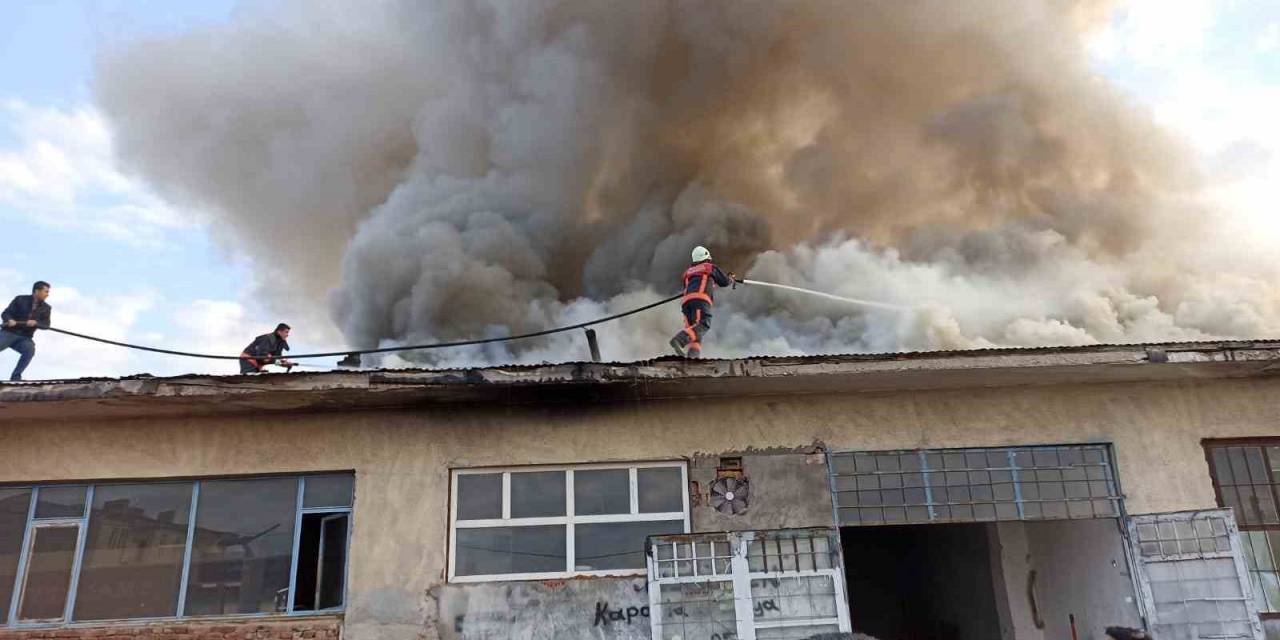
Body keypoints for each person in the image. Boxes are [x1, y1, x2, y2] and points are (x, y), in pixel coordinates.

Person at [669, 246, 736, 358]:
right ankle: (679, 340)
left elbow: (691, 286)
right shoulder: (709, 267)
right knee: (703, 324)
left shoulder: (687, 273)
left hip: (686, 303)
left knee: (695, 332)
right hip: (700, 300)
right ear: (706, 257)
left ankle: (693, 357)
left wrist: (711, 284)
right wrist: (731, 278)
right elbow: (724, 281)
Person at [1, 281, 52, 381]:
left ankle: (16, 377)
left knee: (29, 350)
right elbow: (5, 314)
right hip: (9, 333)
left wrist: (36, 323)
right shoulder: (20, 299)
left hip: (25, 338)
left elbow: (46, 325)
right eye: (46, 291)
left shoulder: (46, 308)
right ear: (37, 291)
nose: (47, 294)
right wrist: (9, 320)